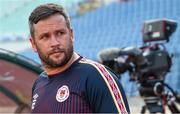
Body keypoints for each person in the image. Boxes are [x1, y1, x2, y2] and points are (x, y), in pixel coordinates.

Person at [29, 3, 130, 113]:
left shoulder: (96, 77)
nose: (55, 43)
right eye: (45, 37)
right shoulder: (39, 84)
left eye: (60, 33)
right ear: (33, 44)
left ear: (71, 35)